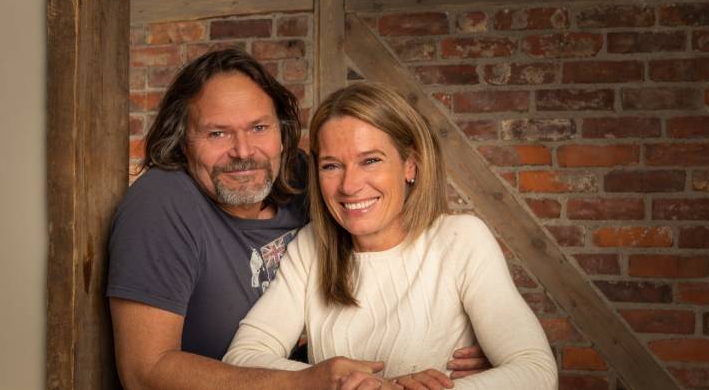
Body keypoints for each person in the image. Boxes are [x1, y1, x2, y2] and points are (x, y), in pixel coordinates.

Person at [106, 49, 488, 389]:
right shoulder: (161, 205)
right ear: (182, 140)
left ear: (283, 132)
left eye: (259, 128)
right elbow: (145, 372)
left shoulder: (308, 179)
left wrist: (458, 339)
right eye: (217, 133)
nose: (243, 152)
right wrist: (303, 382)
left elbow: (402, 256)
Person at [223, 83, 558, 390]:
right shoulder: (311, 247)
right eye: (331, 166)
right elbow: (242, 357)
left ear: (409, 165)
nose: (349, 185)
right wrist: (328, 377)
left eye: (370, 160)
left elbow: (536, 372)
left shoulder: (460, 239)